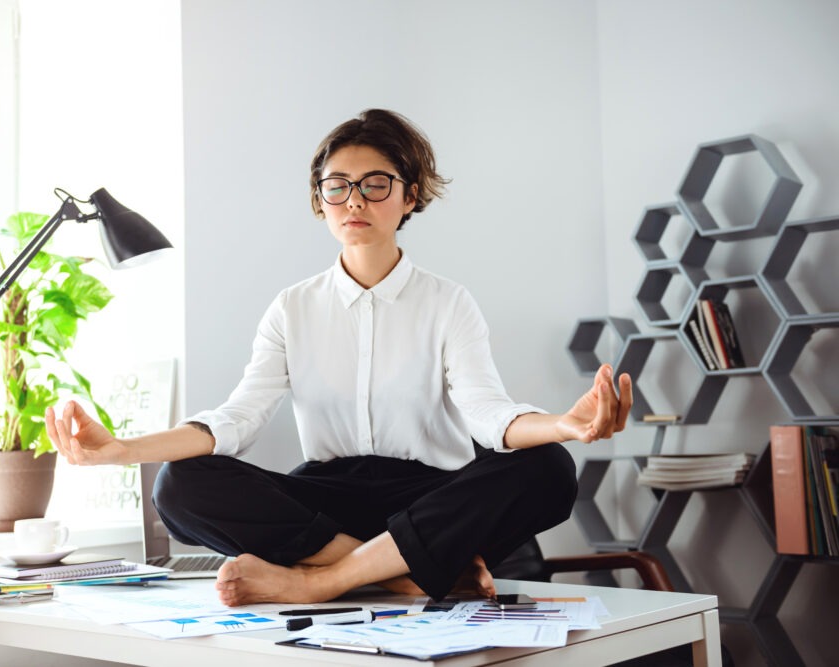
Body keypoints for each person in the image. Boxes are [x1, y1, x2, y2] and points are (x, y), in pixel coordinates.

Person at [46, 109, 632, 607]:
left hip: (429, 499)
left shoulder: (449, 302)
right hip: (328, 505)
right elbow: (238, 418)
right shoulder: (291, 307)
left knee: (549, 468)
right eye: (338, 185)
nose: (355, 199)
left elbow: (487, 413)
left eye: (376, 184)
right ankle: (402, 575)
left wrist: (564, 424)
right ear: (320, 200)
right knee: (179, 485)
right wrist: (122, 451)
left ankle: (319, 583)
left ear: (409, 196)